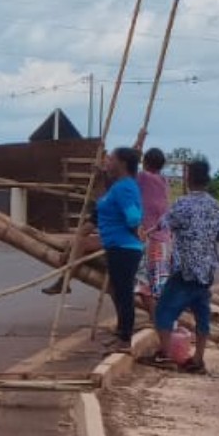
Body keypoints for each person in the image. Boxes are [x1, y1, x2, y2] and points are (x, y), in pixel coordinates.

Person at [148, 158, 219, 375]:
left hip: (184, 269)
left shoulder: (183, 204)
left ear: (189, 178)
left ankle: (165, 354)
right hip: (206, 270)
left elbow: (164, 224)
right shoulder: (216, 206)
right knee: (202, 314)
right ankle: (198, 358)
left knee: (164, 311)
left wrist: (148, 231)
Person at [86, 146, 144, 351]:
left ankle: (125, 339)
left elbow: (133, 216)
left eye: (111, 159)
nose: (107, 163)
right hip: (117, 246)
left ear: (122, 164)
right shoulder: (118, 186)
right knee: (118, 291)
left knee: (124, 293)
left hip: (124, 248)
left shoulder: (124, 187)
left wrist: (134, 229)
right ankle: (121, 333)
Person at [137, 148, 172, 301]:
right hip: (164, 238)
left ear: (144, 162)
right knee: (158, 282)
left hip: (149, 236)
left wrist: (138, 141)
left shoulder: (143, 178)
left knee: (145, 283)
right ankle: (161, 316)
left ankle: (157, 318)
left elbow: (128, 166)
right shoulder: (163, 181)